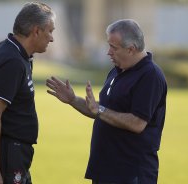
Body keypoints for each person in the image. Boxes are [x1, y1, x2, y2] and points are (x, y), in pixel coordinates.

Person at [46, 19, 167, 184]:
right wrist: (73, 99)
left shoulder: (150, 75)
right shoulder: (117, 71)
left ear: (131, 49)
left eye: (113, 47)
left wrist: (100, 110)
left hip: (131, 174)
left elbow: (137, 123)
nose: (108, 52)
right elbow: (100, 111)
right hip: (106, 171)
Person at [0, 2, 55, 184]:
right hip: (6, 154)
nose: (52, 38)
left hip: (9, 151)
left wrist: (1, 118)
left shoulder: (7, 49)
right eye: (50, 31)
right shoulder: (12, 61)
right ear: (36, 31)